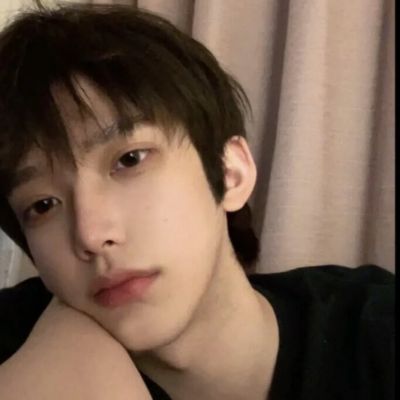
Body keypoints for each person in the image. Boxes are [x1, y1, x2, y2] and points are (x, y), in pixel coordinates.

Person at [0, 3, 394, 400]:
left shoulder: (373, 335)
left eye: (130, 159)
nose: (90, 235)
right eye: (42, 205)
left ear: (230, 172)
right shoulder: (15, 340)